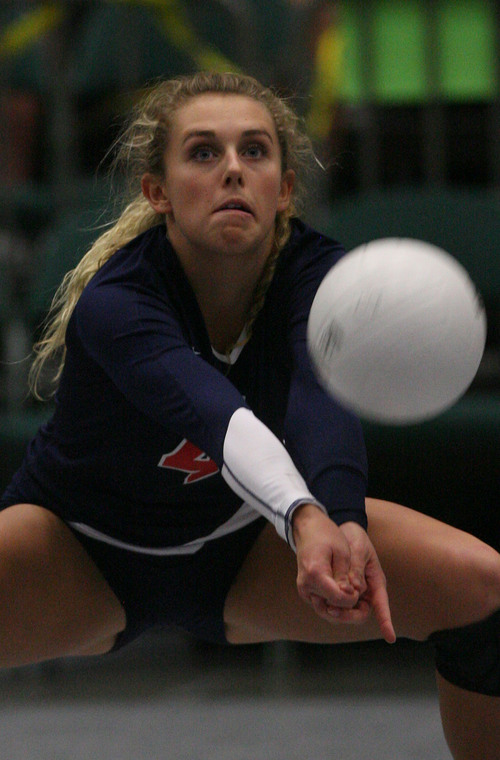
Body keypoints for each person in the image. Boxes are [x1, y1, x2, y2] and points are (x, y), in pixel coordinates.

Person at [1, 71, 499, 759]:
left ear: (285, 188)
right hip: (80, 547)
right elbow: (214, 412)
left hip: (244, 548)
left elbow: (320, 398)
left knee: (483, 590)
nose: (233, 169)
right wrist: (305, 514)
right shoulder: (118, 301)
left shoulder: (319, 278)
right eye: (203, 153)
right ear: (158, 191)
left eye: (255, 152)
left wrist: (344, 518)